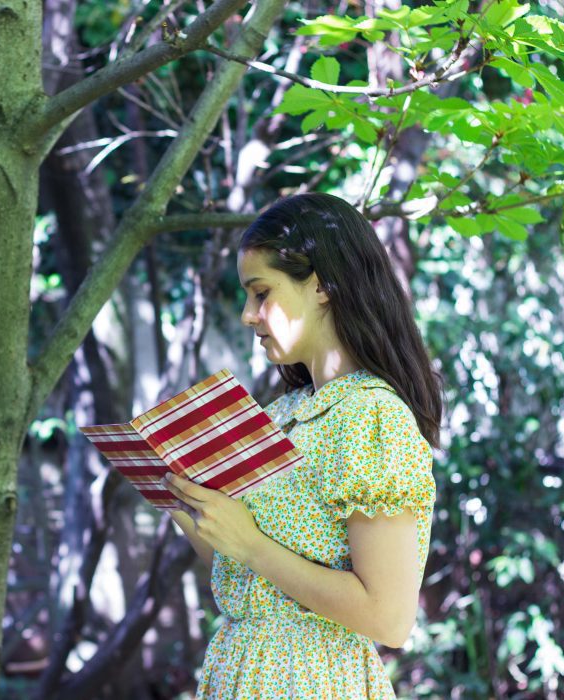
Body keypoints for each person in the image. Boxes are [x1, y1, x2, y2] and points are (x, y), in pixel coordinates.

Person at [162, 193, 442, 698]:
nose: (249, 314)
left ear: (321, 287)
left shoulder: (372, 417)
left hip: (313, 681)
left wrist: (250, 543)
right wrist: (190, 509)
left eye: (261, 293)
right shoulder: (282, 414)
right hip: (239, 673)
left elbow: (390, 617)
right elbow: (258, 582)